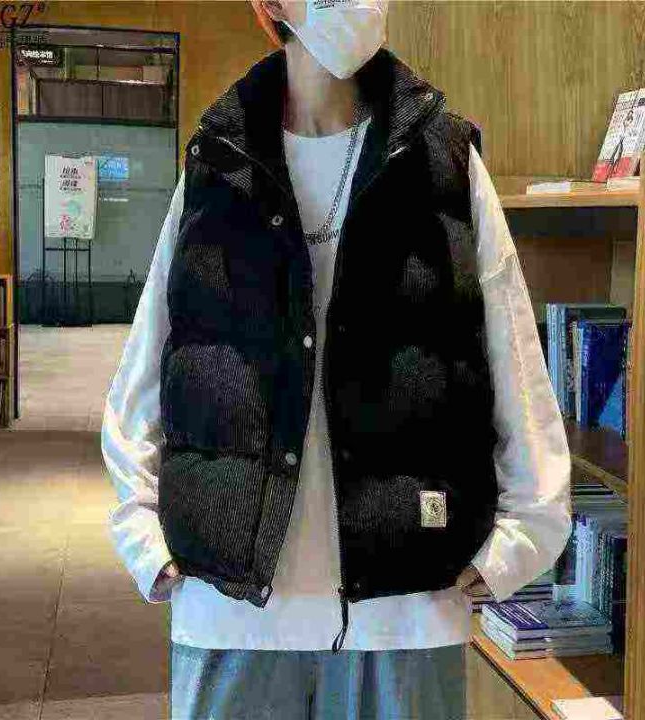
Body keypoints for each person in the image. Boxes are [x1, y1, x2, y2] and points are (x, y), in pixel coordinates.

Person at [101, 1, 572, 717]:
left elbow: (516, 363)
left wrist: (521, 540)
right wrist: (143, 538)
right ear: (269, 4)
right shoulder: (218, 158)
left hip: (407, 610)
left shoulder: (444, 161)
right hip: (232, 612)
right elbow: (149, 365)